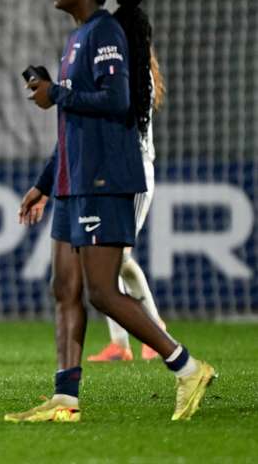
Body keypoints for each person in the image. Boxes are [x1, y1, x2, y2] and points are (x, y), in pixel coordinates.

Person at [5, 0, 215, 423]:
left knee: (102, 290)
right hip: (72, 181)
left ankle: (186, 366)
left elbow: (116, 101)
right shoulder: (77, 38)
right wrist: (43, 184)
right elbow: (72, 125)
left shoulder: (105, 32)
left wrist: (55, 93)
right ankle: (64, 400)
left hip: (104, 179)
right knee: (65, 287)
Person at [88, 49, 168, 362]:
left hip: (134, 172)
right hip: (116, 173)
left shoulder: (135, 77)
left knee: (116, 255)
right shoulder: (121, 74)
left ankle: (153, 329)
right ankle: (121, 343)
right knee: (107, 256)